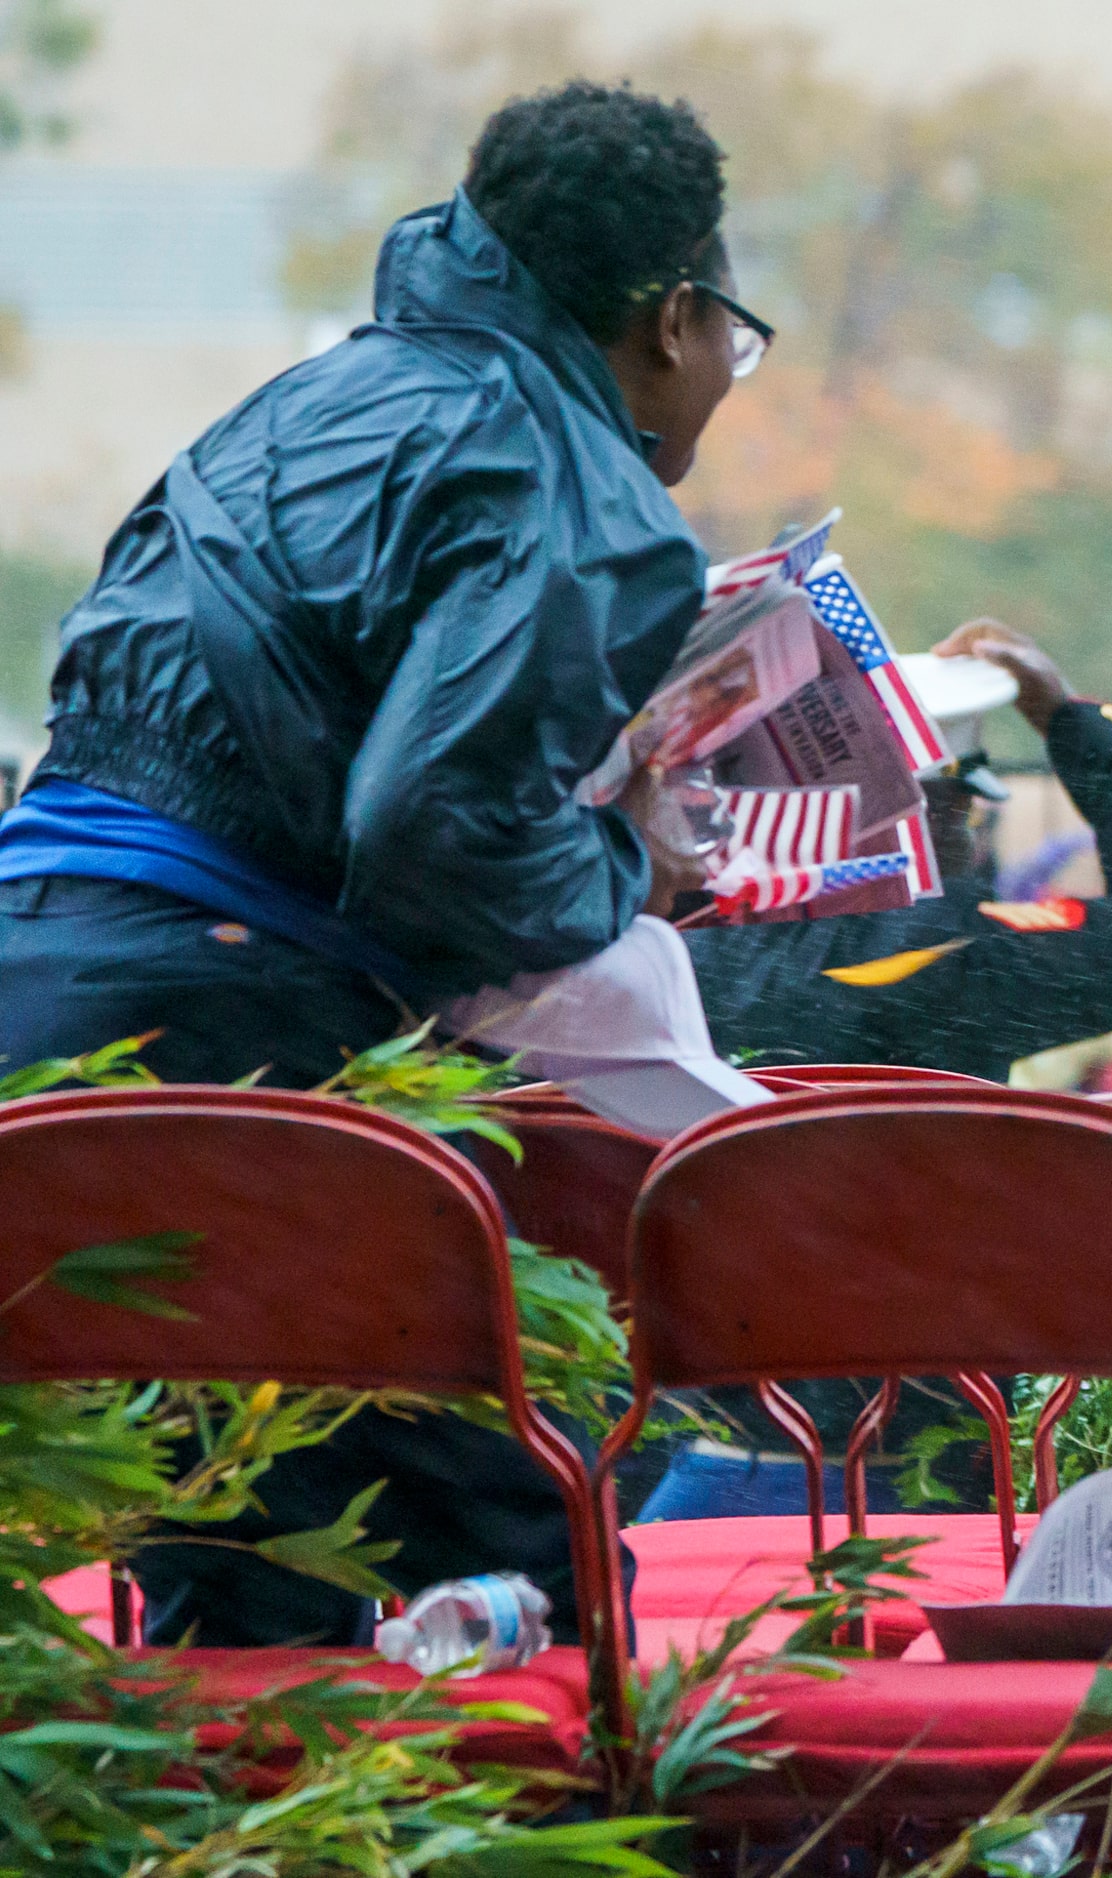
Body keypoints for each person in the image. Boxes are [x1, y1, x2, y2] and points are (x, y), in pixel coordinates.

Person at [0, 82, 750, 1646]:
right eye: (731, 337)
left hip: (39, 990)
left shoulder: (311, 398)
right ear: (673, 317)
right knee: (522, 1548)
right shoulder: (586, 490)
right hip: (226, 1038)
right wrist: (629, 861)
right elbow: (430, 839)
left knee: (238, 1553)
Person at [687, 620, 1112, 1082]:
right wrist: (1067, 721)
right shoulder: (954, 954)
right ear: (932, 811)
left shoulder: (678, 950)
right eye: (967, 810)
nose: (974, 833)